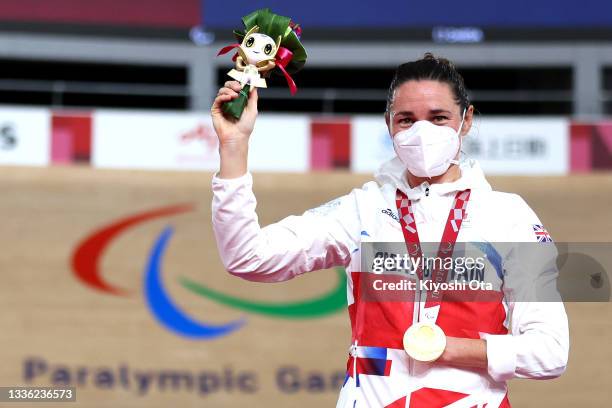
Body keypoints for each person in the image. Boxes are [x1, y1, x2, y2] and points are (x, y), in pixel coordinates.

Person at [210, 53, 569, 408]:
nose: (422, 131)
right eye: (406, 120)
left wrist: (448, 348)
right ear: (388, 124)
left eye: (438, 118)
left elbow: (550, 352)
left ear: (466, 120)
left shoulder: (508, 215)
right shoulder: (361, 210)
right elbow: (248, 257)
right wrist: (234, 145)